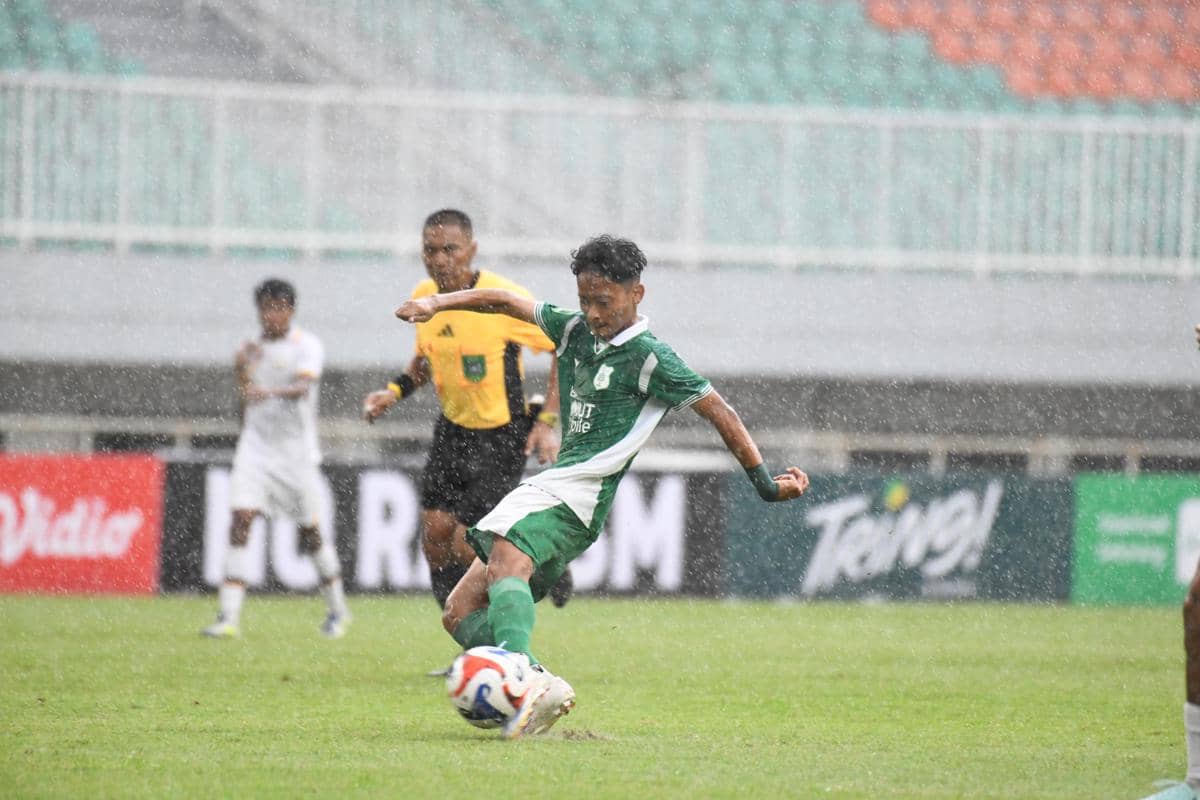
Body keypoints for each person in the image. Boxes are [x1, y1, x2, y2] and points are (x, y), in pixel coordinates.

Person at [394, 234, 810, 738]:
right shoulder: (573, 329)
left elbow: (720, 411)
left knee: (507, 554)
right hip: (554, 485)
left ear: (637, 294)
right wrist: (437, 304)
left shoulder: (650, 358)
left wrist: (765, 485)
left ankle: (520, 678)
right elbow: (503, 300)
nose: (592, 313)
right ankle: (538, 681)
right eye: (585, 300)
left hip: (581, 496)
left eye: (604, 302)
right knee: (458, 613)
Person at [363, 209, 572, 612]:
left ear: (471, 250)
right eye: (431, 250)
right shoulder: (425, 296)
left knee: (465, 543)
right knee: (434, 537)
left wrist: (547, 421)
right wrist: (394, 391)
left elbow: (562, 348)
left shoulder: (502, 297)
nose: (439, 259)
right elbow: (426, 361)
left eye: (450, 249)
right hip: (453, 430)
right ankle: (462, 631)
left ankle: (542, 564)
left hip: (502, 435)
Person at [203, 278, 350, 639]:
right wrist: (241, 372)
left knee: (310, 532)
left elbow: (302, 388)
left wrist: (266, 391)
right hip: (255, 449)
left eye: (279, 308)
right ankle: (228, 618)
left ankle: (337, 610)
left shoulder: (307, 345)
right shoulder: (248, 349)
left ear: (291, 310)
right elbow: (244, 395)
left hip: (295, 454)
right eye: (266, 308)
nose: (272, 315)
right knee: (240, 520)